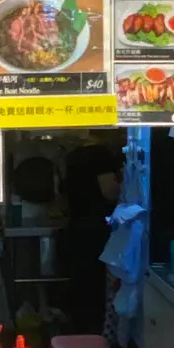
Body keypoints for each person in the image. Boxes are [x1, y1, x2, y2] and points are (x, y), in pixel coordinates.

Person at [59, 139, 121, 335]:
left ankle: (79, 332)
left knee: (80, 284)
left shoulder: (73, 157)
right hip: (96, 229)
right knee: (96, 286)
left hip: (76, 228)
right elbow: (109, 192)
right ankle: (96, 335)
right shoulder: (100, 155)